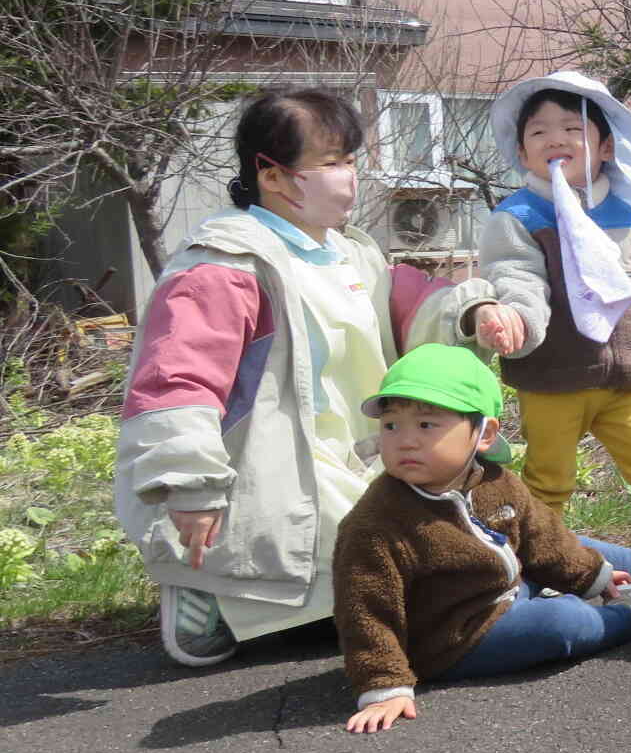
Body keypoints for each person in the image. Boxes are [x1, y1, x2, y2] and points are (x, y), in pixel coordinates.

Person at [114, 87, 528, 668]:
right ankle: (205, 585)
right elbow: (176, 383)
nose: (350, 178)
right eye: (331, 163)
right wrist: (189, 486)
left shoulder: (345, 253)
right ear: (273, 175)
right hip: (272, 466)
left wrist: (472, 312)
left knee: (427, 560)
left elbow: (409, 309)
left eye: (352, 160)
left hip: (354, 456)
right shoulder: (224, 268)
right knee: (405, 579)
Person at [334, 345, 631, 733]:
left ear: (484, 433)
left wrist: (590, 577)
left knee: (570, 543)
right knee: (563, 622)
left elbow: (540, 537)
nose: (405, 441)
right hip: (459, 636)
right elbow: (364, 609)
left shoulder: (495, 482)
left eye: (426, 425)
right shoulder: (376, 523)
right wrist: (385, 684)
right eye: (391, 425)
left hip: (506, 584)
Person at [478, 71, 631, 535]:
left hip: (622, 378)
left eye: (571, 128)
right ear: (522, 152)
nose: (554, 139)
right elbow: (514, 274)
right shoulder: (519, 217)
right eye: (538, 132)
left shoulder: (628, 218)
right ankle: (544, 559)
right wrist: (518, 319)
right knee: (548, 481)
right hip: (551, 377)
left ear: (606, 147)